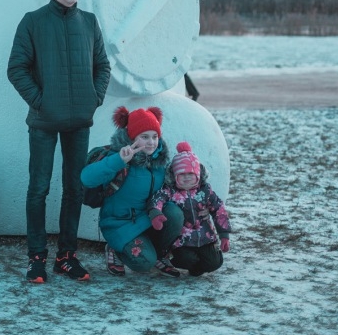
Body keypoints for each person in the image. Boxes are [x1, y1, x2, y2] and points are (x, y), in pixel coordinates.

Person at [7, 0, 111, 284]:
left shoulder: (90, 23)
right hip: (43, 122)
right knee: (38, 188)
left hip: (79, 122)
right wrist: (40, 101)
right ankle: (36, 258)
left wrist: (93, 99)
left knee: (74, 189)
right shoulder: (33, 22)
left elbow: (103, 67)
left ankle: (66, 257)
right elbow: (16, 69)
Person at [81, 106, 184, 277]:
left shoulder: (159, 161)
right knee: (144, 263)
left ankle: (158, 253)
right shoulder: (119, 158)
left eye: (154, 136)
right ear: (132, 137)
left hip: (149, 220)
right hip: (121, 224)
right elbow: (87, 178)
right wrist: (118, 160)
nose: (151, 142)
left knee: (174, 213)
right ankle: (115, 249)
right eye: (144, 137)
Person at [148, 141, 231, 276]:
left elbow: (219, 209)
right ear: (175, 176)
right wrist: (156, 212)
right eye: (182, 174)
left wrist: (224, 235)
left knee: (215, 262)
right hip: (182, 240)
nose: (187, 178)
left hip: (205, 237)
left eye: (190, 174)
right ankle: (179, 260)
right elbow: (157, 199)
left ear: (198, 174)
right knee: (186, 259)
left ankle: (197, 268)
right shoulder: (171, 191)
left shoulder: (205, 191)